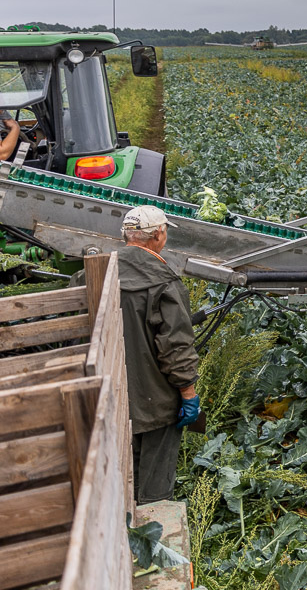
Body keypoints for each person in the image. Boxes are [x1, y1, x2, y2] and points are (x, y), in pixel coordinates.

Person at [118, 205, 200, 504]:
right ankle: (150, 539)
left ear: (126, 235)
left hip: (108, 397)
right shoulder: (164, 282)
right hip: (156, 404)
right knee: (153, 490)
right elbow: (175, 347)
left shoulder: (97, 271)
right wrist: (188, 393)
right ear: (158, 235)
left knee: (118, 477)